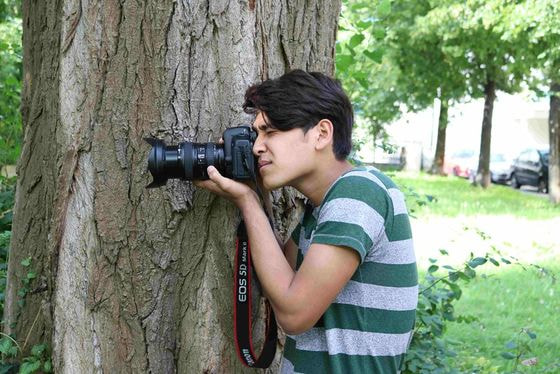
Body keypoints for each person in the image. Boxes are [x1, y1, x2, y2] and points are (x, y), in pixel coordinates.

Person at [195, 70, 418, 373]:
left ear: (322, 134)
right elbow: (276, 277)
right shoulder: (321, 210)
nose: (257, 146)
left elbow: (294, 313)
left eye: (271, 132)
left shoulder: (360, 192)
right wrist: (250, 188)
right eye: (256, 134)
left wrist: (247, 202)